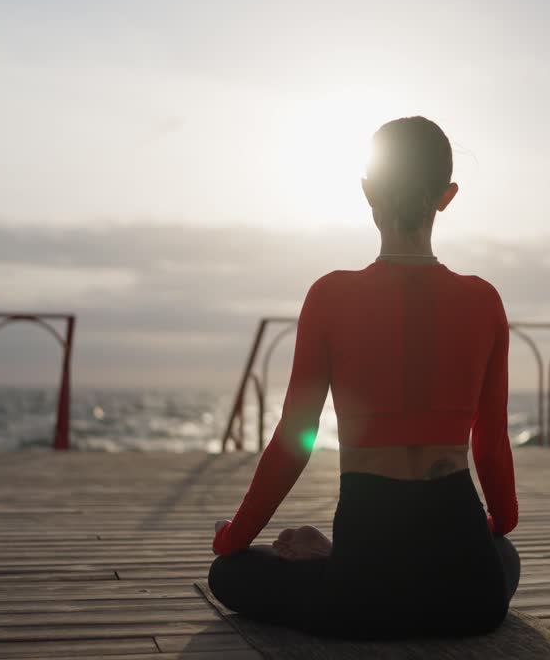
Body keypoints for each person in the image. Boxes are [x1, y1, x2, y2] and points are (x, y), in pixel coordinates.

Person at [208, 116, 520, 640]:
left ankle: (332, 560)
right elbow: (489, 444)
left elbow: (293, 441)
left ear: (368, 191)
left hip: (361, 596)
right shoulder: (484, 299)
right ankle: (341, 559)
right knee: (504, 555)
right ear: (446, 196)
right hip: (471, 597)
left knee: (229, 575)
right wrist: (495, 526)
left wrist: (234, 538)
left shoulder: (331, 296)